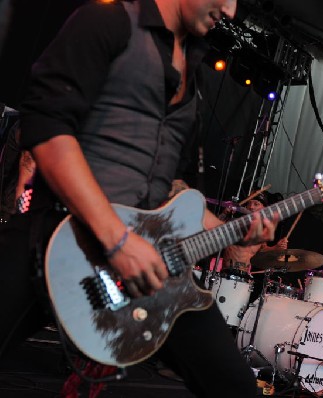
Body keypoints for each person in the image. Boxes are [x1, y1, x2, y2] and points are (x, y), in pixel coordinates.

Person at [0, 0, 280, 397]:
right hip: (58, 238)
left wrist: (231, 231)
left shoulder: (195, 72)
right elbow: (47, 127)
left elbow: (170, 187)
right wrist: (116, 239)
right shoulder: (108, 20)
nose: (231, 11)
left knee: (236, 388)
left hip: (151, 263)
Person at [220, 191, 288, 274]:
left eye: (256, 204)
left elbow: (262, 249)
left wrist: (276, 247)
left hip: (244, 276)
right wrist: (224, 214)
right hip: (226, 274)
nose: (251, 207)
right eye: (249, 203)